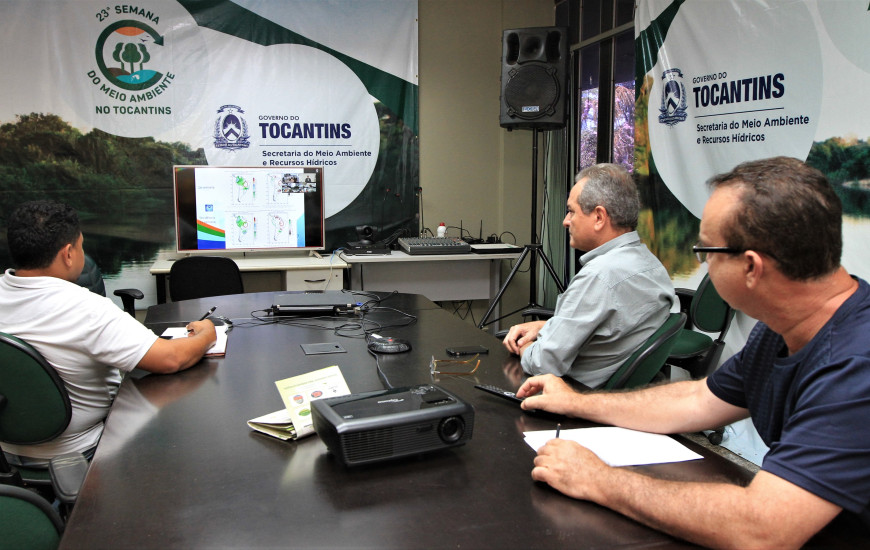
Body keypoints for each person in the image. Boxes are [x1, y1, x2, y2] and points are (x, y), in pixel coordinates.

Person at [517, 156, 870, 547]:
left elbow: (763, 529)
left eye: (706, 250)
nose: (703, 261)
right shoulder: (782, 330)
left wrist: (599, 479)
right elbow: (698, 400)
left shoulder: (855, 365)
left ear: (751, 267)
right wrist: (576, 402)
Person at [0, 201, 216, 466]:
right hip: (83, 453)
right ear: (68, 254)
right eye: (81, 246)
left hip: (6, 452)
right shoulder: (85, 308)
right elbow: (171, 358)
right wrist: (206, 334)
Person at [502, 163, 675, 388]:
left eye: (572, 211)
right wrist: (547, 326)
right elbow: (610, 328)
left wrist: (525, 347)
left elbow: (543, 363)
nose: (565, 221)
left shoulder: (599, 276)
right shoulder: (650, 265)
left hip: (571, 394)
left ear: (599, 217)